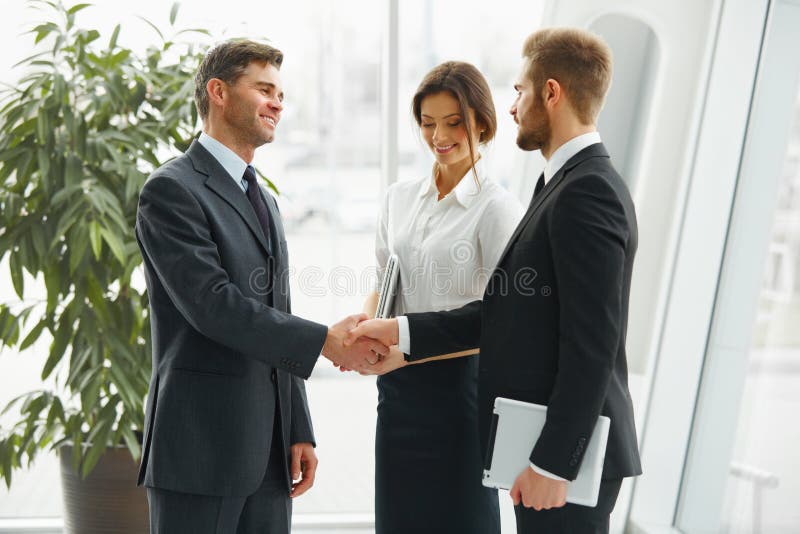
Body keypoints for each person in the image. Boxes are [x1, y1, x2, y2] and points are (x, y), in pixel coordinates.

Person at [348, 28, 642, 534]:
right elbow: (505, 313)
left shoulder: (586, 191)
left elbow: (592, 345)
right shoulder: (562, 184)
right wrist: (398, 331)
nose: (513, 107)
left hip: (559, 455)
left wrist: (554, 463)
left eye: (520, 91)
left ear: (551, 93)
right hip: (534, 443)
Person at [135, 40, 386, 534]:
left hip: (269, 455)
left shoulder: (263, 199)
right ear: (219, 92)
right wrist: (324, 341)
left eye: (281, 94)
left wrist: (298, 428)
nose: (278, 103)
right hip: (200, 452)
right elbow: (213, 305)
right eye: (264, 89)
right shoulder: (171, 191)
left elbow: (278, 310)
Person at [358, 61, 523, 534]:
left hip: (460, 394)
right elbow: (383, 282)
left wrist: (400, 352)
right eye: (428, 123)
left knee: (462, 520)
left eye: (453, 122)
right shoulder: (398, 198)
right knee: (398, 521)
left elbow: (501, 320)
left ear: (483, 125)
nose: (439, 135)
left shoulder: (497, 208)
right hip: (397, 393)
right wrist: (364, 330)